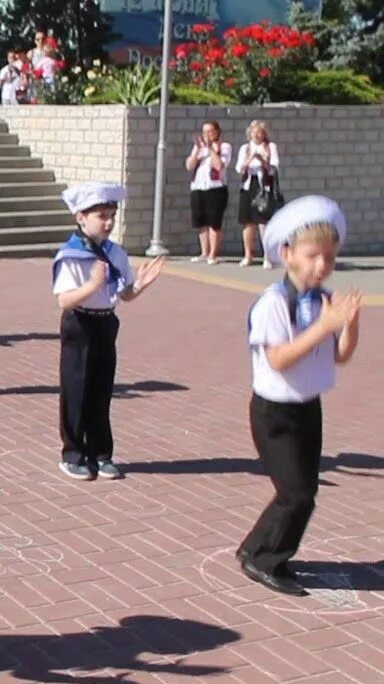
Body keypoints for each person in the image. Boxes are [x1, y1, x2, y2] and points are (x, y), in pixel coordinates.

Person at [238, 196, 362, 596]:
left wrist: (349, 325)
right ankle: (264, 558)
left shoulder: (321, 301)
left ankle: (256, 549)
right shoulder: (275, 302)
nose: (322, 266)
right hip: (275, 412)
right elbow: (278, 358)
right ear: (287, 253)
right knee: (296, 493)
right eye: (313, 256)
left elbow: (340, 355)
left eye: (330, 258)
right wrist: (324, 326)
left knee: (305, 490)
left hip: (308, 407)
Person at [52, 182, 165, 481]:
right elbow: (64, 299)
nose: (109, 222)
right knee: (77, 390)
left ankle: (101, 454)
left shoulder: (116, 253)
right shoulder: (71, 254)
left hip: (105, 322)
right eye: (101, 215)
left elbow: (124, 293)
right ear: (81, 218)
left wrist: (139, 285)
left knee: (101, 391)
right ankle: (73, 454)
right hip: (79, 322)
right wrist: (91, 286)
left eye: (112, 215)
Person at [235, 120, 281, 268]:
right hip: (248, 185)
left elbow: (274, 168)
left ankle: (268, 256)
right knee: (248, 222)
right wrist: (249, 160)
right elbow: (239, 169)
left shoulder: (270, 147)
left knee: (263, 222)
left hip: (264, 186)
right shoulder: (245, 148)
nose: (257, 135)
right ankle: (248, 255)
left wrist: (262, 160)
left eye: (260, 132)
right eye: (254, 132)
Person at [186, 120, 232, 264]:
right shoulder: (198, 147)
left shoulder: (224, 146)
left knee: (214, 222)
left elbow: (219, 166)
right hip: (198, 186)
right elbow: (189, 166)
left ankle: (213, 253)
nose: (207, 134)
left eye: (210, 131)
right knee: (201, 221)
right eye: (204, 131)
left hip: (215, 187)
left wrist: (211, 149)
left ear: (217, 132)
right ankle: (204, 252)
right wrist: (197, 152)